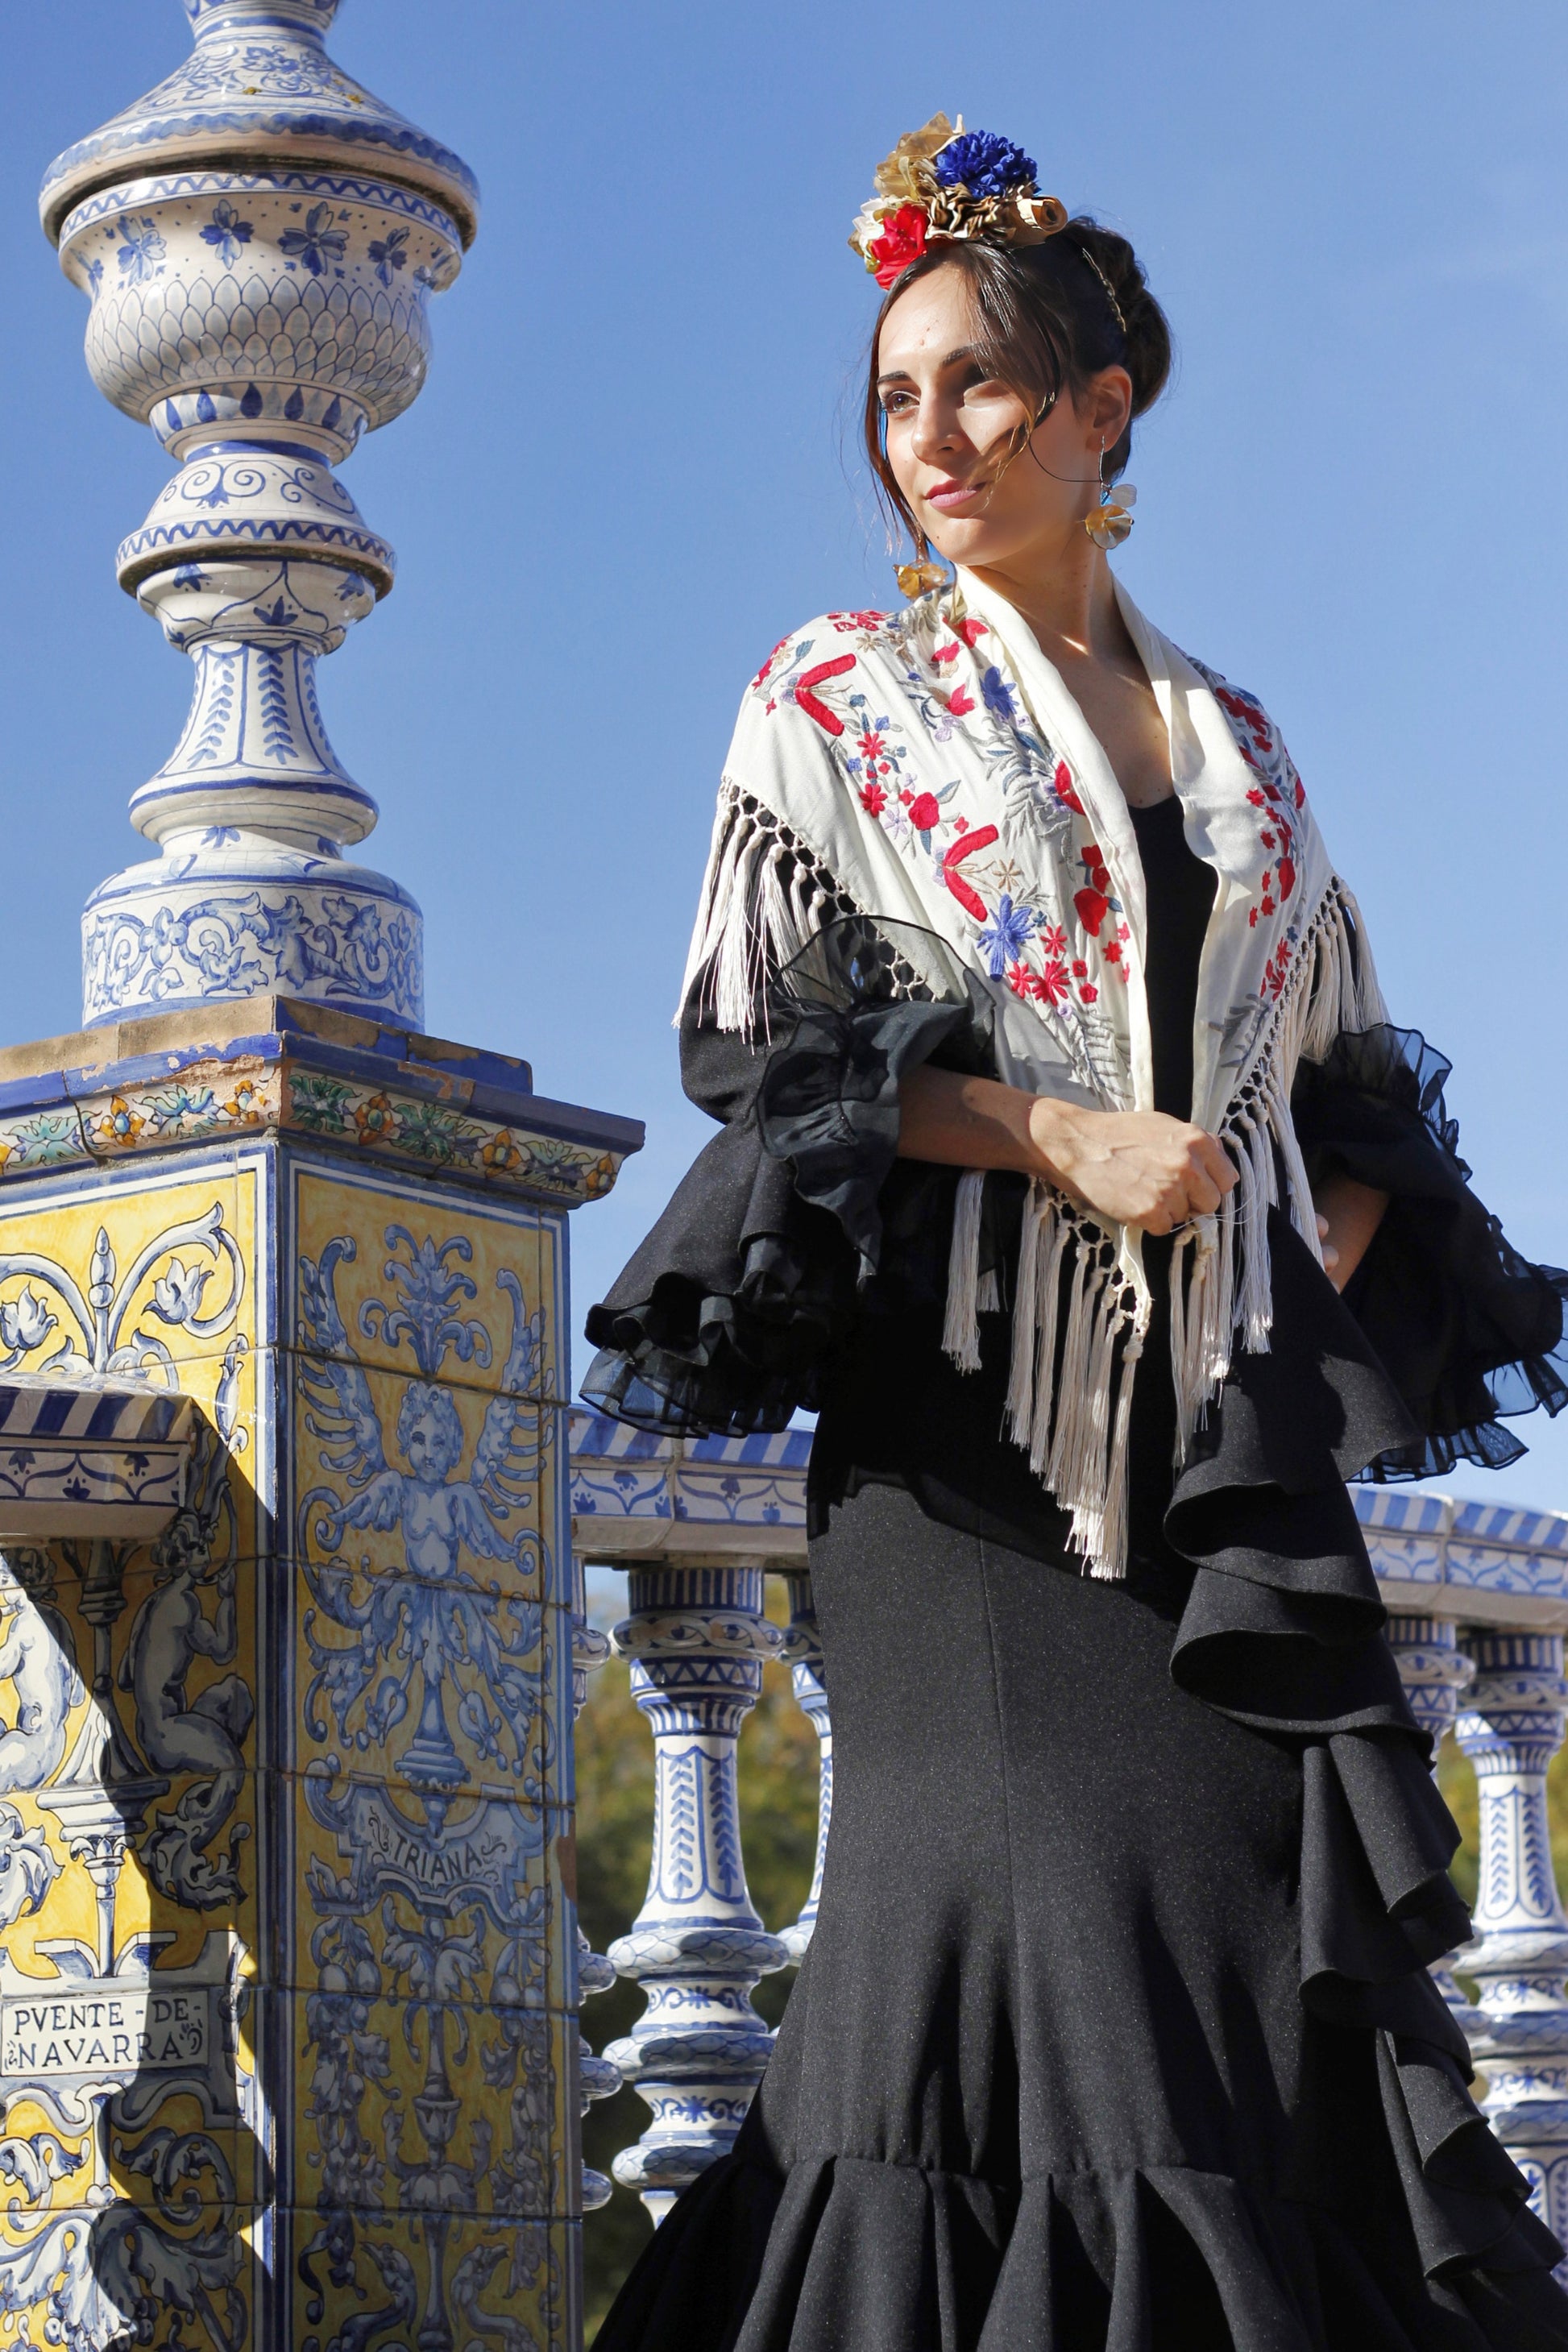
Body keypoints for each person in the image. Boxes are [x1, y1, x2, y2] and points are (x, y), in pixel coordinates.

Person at [584, 114, 1568, 2350]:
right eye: (893, 397)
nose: (926, 436)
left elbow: (1350, 1078)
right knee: (1021, 1991)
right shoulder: (833, 694)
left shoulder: (1239, 747)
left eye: (977, 386)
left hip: (1222, 1488)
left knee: (1228, 1984)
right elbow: (761, 1056)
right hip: (963, 1468)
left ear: (1101, 409)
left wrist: (1291, 1257)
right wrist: (1060, 1144)